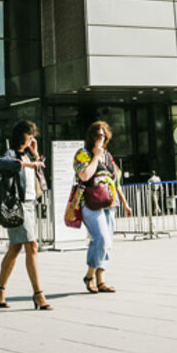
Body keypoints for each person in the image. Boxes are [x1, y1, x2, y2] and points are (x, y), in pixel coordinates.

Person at [0, 120, 51, 311]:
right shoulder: (12, 153)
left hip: (30, 204)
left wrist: (35, 154)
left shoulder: (28, 155)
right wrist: (28, 163)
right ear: (20, 135)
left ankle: (0, 289)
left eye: (33, 134)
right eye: (28, 134)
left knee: (15, 248)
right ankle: (38, 294)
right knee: (32, 246)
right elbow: (3, 163)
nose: (31, 137)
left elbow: (41, 176)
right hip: (18, 206)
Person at [75, 120, 131, 293]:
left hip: (109, 202)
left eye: (104, 135)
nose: (101, 138)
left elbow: (115, 180)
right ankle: (90, 275)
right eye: (98, 135)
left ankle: (101, 279)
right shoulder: (83, 154)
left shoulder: (108, 155)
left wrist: (124, 202)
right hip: (91, 202)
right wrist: (95, 156)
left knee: (107, 243)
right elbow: (84, 176)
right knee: (101, 239)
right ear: (91, 136)